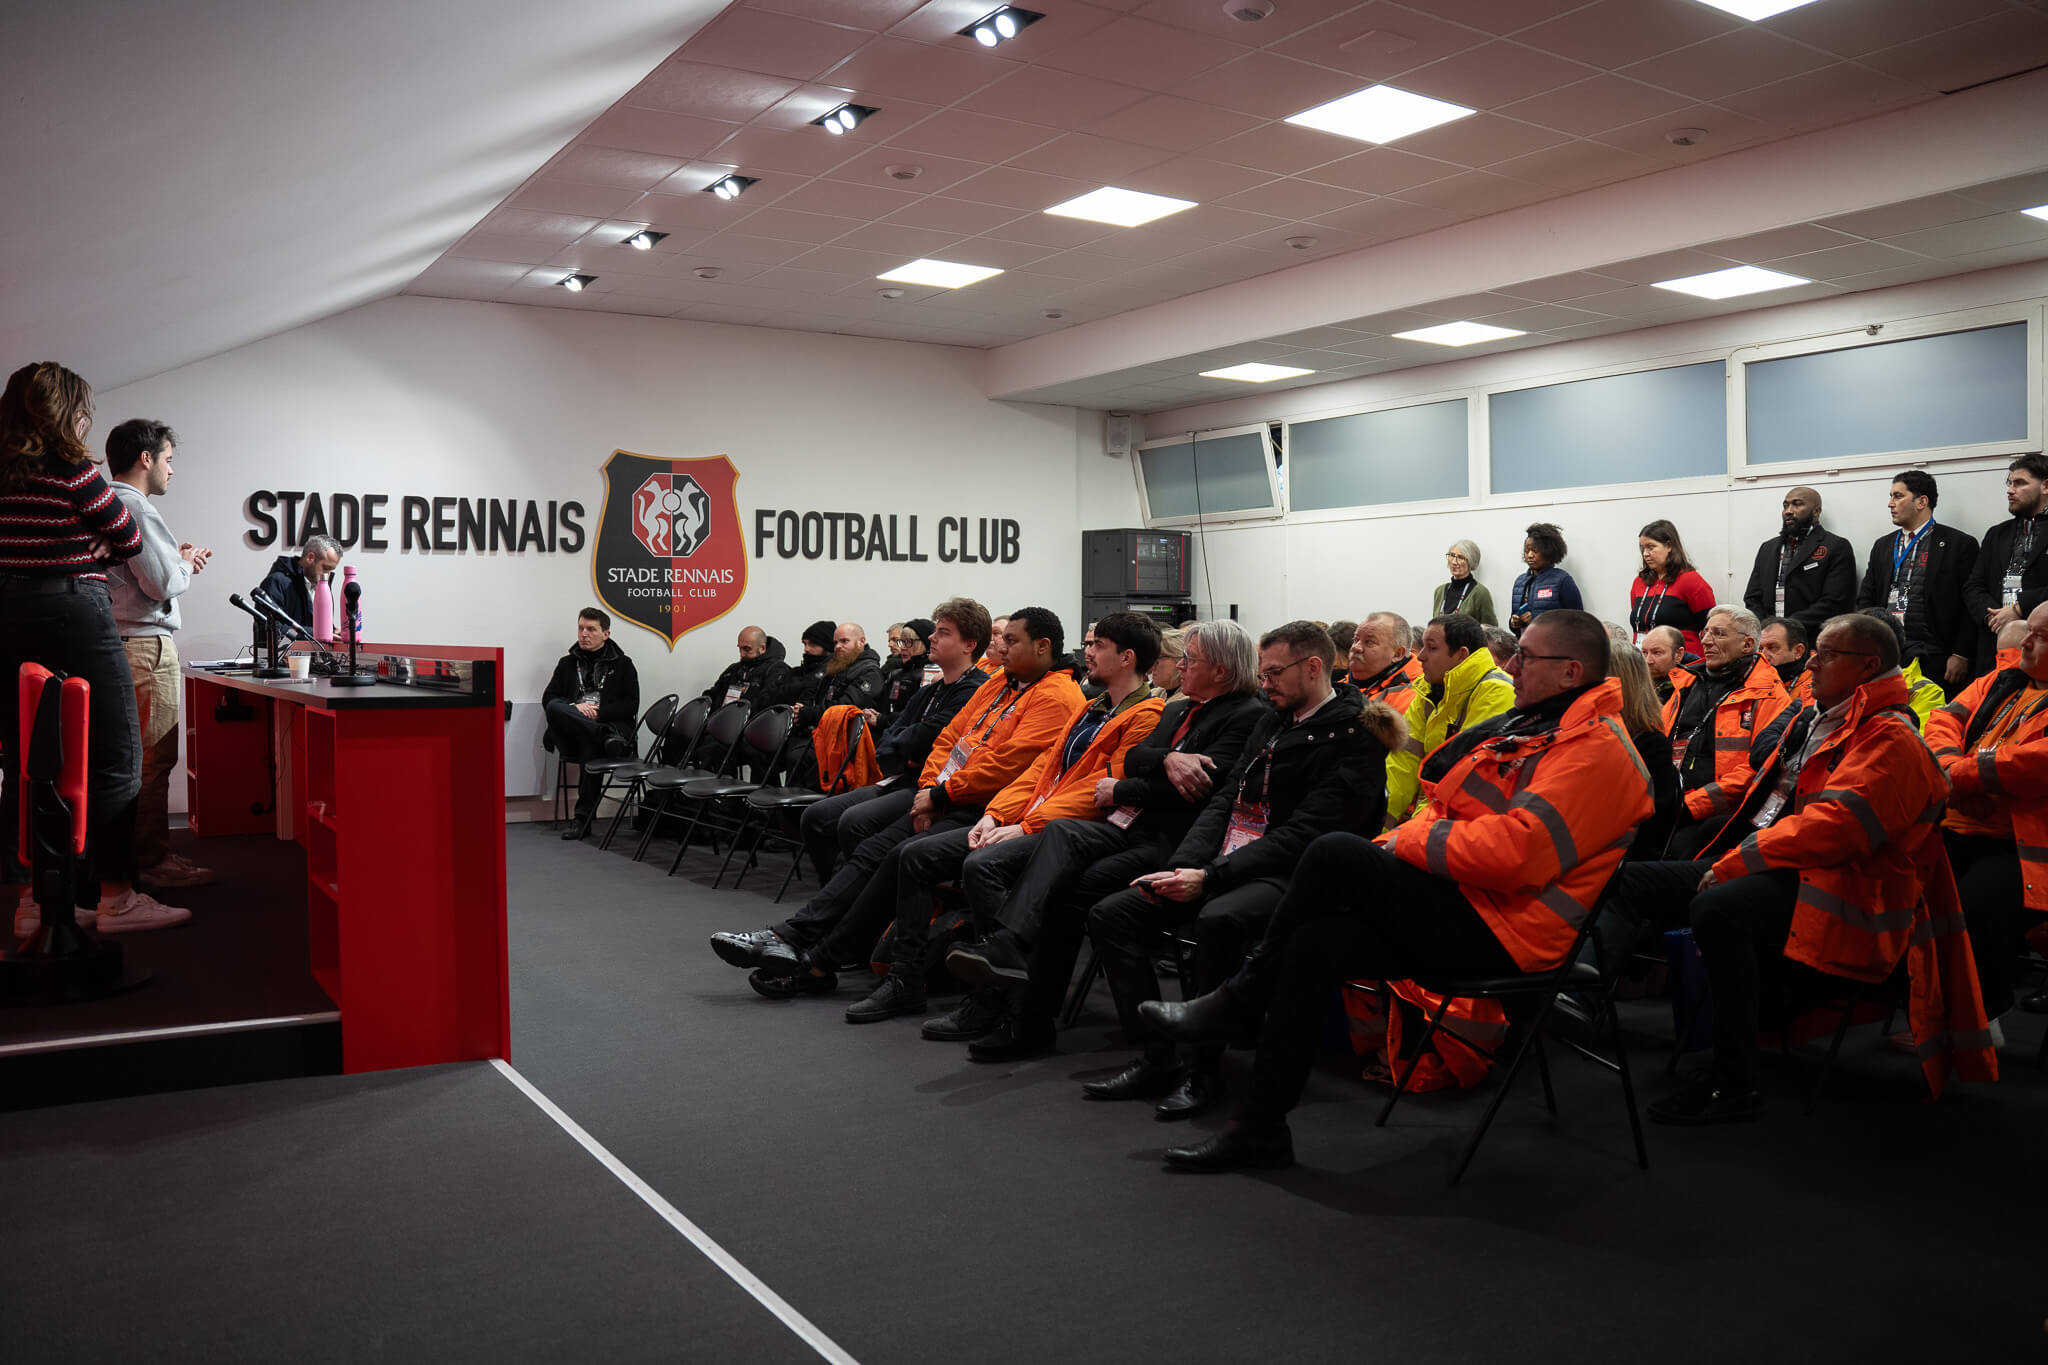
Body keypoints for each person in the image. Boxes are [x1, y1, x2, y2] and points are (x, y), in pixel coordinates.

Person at [1140, 610, 1651, 1171]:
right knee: (1313, 943)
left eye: (1526, 658)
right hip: (1467, 902)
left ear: (1571, 671)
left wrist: (1404, 842)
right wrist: (1404, 841)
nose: (1512, 667)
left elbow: (1515, 854)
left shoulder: (1598, 752)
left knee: (1334, 851)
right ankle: (1258, 1129)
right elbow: (1444, 807)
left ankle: (1238, 1001)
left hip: (1511, 936)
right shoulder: (1539, 726)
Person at [1613, 613, 1992, 1126]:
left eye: (1827, 654)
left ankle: (1735, 1081)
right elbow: (1766, 788)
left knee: (1718, 910)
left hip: (1846, 887)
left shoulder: (1892, 738)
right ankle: (1578, 998)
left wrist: (1736, 861)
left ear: (1868, 666)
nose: (1811, 662)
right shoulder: (1817, 716)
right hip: (1792, 863)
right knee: (1626, 878)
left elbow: (1834, 828)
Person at [1080, 621, 1397, 1119]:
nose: (1263, 682)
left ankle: (1204, 1074)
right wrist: (1186, 865)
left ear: (1313, 668)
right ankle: (1158, 1055)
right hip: (1230, 859)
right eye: (1262, 672)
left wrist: (1210, 878)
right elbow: (1226, 800)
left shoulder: (1356, 736)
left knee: (1218, 919)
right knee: (1113, 913)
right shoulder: (1274, 719)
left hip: (1298, 876)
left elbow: (1303, 836)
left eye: (1274, 673)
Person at [940, 620, 1266, 1062]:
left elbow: (1194, 788)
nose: (1179, 666)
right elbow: (1138, 757)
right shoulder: (1176, 710)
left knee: (1070, 895)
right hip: (1129, 828)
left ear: (1222, 671)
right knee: (1058, 846)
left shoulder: (1246, 715)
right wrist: (1167, 759)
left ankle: (1044, 1010)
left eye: (1190, 660)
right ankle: (1018, 977)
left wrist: (1130, 785)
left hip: (1175, 840)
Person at [709, 609, 1083, 993]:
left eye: (1011, 640)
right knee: (869, 845)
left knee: (896, 853)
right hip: (941, 793)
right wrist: (930, 790)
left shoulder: (1055, 696)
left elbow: (1006, 766)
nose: (1000, 647)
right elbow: (949, 740)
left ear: (1042, 647)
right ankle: (797, 939)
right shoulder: (1002, 683)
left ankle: (815, 956)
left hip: (983, 807)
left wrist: (939, 794)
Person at [842, 612, 1166, 1024]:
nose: (1087, 652)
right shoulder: (1092, 708)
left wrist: (1025, 825)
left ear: (1126, 658)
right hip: (1031, 817)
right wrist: (996, 815)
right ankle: (908, 978)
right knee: (915, 855)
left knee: (977, 865)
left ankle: (999, 989)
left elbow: (1095, 791)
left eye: (1098, 646)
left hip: (1074, 829)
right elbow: (1042, 770)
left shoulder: (1146, 715)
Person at [1, 361, 191, 935]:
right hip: (74, 610)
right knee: (116, 754)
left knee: (25, 760)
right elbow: (126, 537)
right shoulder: (73, 469)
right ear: (67, 412)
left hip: (8, 614)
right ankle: (115, 897)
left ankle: (33, 904)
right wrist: (92, 542)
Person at [799, 601, 989, 881]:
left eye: (943, 633)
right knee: (814, 816)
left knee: (854, 822)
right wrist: (901, 747)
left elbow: (927, 736)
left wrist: (903, 745)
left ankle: (857, 892)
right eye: (935, 631)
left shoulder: (976, 690)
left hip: (928, 784)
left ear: (969, 645)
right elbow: (893, 736)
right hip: (899, 776)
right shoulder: (930, 690)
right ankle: (841, 888)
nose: (932, 637)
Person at [103, 418, 214, 891]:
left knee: (137, 759)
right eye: (168, 459)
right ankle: (150, 861)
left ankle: (143, 856)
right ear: (145, 458)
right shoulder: (135, 506)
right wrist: (184, 564)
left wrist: (176, 562)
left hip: (126, 643)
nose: (171, 469)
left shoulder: (109, 502)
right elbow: (162, 583)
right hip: (145, 646)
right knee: (154, 759)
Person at [1925, 600, 2048, 1024]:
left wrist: (1956, 778)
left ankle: (1978, 1018)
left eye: (2040, 637)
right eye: (2028, 630)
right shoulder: (2002, 678)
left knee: (1973, 912)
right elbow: (1942, 720)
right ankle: (1929, 1010)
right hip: (1957, 823)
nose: (2025, 642)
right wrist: (1952, 774)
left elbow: (2031, 764)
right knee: (1898, 888)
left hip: (2023, 849)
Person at [1660, 606, 1789, 858]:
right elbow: (1658, 741)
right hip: (1670, 798)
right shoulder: (1686, 682)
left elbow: (1758, 771)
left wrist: (1689, 806)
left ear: (1747, 644)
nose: (1706, 641)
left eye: (1718, 633)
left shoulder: (1770, 695)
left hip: (1722, 813)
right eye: (1705, 632)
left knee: (1669, 856)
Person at [1383, 613, 1515, 827]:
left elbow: (1463, 787)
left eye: (1432, 648)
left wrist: (1408, 833)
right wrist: (1378, 828)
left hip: (1462, 826)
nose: (1420, 656)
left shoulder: (1498, 692)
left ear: (1461, 655)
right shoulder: (1428, 692)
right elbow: (1400, 768)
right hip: (1428, 820)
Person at [1854, 470, 1978, 695]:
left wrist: (1961, 653)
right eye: (1891, 496)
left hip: (1936, 655)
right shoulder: (1883, 545)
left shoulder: (1959, 544)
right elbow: (1867, 599)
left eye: (1898, 496)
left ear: (1922, 502)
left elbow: (1969, 605)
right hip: (1889, 652)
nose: (1890, 504)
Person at [542, 608, 640, 838]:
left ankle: (581, 820)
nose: (584, 634)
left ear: (605, 634)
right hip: (585, 735)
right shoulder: (567, 663)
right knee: (555, 706)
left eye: (591, 629)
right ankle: (601, 734)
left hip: (604, 730)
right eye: (581, 628)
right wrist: (575, 708)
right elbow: (549, 699)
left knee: (591, 746)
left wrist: (598, 713)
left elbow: (631, 706)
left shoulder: (623, 664)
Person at [1963, 452, 2048, 676]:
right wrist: (1994, 617)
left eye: (2019, 483)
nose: (2010, 490)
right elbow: (1973, 586)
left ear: (2046, 486)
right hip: (1994, 646)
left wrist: (2020, 608)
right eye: (2009, 483)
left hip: (2041, 646)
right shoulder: (1997, 534)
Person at [1741, 485, 1856, 639]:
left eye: (1797, 504)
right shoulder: (1768, 548)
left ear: (1816, 511)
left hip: (1813, 637)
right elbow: (1752, 597)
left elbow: (1836, 602)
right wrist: (1765, 627)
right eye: (1785, 505)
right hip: (1767, 638)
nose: (1788, 511)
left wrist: (1787, 627)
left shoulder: (1836, 546)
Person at [1630, 519, 1716, 656]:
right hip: (1645, 658)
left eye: (1651, 547)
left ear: (1669, 546)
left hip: (1683, 660)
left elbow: (1709, 625)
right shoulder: (1639, 582)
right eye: (1642, 548)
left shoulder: (1690, 580)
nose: (1645, 553)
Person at [255, 533, 343, 637]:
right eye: (326, 568)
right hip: (284, 648)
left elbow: (317, 625)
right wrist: (317, 634)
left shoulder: (321, 586)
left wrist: (333, 631)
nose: (327, 575)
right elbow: (271, 628)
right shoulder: (276, 582)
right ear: (310, 557)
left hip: (312, 648)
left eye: (331, 570)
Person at [1507, 522, 1581, 632]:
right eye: (1527, 551)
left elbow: (1578, 621)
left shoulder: (1563, 580)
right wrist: (1513, 623)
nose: (1530, 555)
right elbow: (1514, 623)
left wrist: (1536, 620)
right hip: (1524, 642)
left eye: (1535, 551)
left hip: (1554, 642)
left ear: (1549, 552)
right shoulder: (1520, 582)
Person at [1347, 611, 1422, 713]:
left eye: (1369, 642)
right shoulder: (1338, 685)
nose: (1356, 647)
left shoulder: (1415, 697)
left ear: (1397, 654)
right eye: (1356, 639)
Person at [701, 625, 790, 708]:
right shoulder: (733, 669)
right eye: (740, 648)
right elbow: (713, 695)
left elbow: (767, 705)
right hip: (723, 717)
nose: (742, 654)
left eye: (747, 649)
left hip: (752, 719)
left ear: (762, 648)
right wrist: (704, 703)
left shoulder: (777, 670)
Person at [1433, 539, 1497, 625]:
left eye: (1460, 557)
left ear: (1471, 561)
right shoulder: (1439, 591)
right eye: (1452, 555)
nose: (1454, 562)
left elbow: (1491, 629)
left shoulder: (1480, 593)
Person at [1758, 616, 1810, 700]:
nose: (1763, 655)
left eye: (1772, 648)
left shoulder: (1817, 686)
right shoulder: (1751, 679)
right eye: (1760, 649)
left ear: (1798, 651)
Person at [1641, 624, 1686, 704]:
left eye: (1656, 652)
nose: (1648, 661)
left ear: (1678, 654)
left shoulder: (1689, 691)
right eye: (1644, 652)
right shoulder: (1636, 685)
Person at [1148, 627, 1186, 702]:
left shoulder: (1189, 700)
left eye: (1157, 660)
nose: (1152, 667)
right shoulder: (1154, 693)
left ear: (1180, 660)